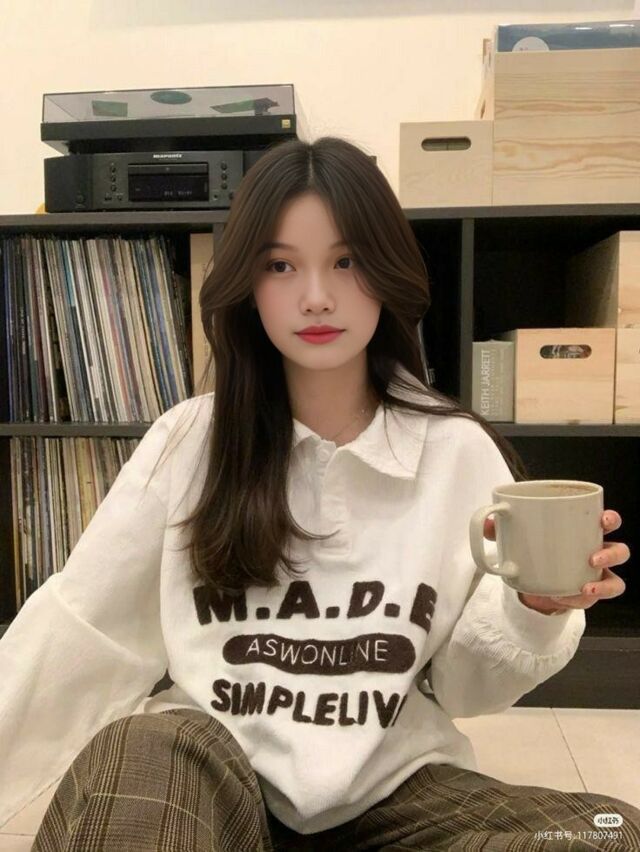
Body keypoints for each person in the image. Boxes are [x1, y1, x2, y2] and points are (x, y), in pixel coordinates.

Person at [0, 136, 637, 851]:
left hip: (397, 787)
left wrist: (533, 609)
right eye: (281, 265)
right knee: (135, 751)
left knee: (608, 833)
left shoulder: (456, 448)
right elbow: (82, 628)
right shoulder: (190, 441)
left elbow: (463, 688)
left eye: (346, 261)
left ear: (386, 270)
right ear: (248, 283)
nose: (316, 297)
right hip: (215, 774)